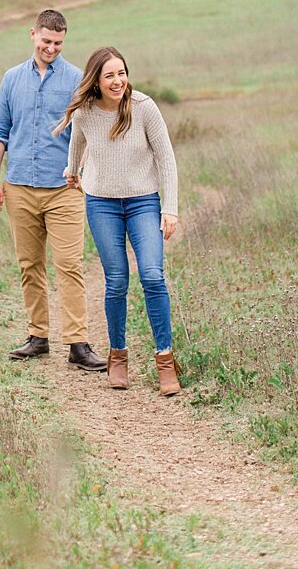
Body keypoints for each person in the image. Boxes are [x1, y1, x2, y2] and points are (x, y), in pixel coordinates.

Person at [0, 9, 107, 370]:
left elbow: (89, 132)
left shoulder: (76, 79)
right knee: (30, 265)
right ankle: (38, 337)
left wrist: (83, 171)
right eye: (46, 41)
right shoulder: (11, 79)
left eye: (58, 43)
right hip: (20, 185)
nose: (51, 47)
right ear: (33, 35)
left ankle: (78, 344)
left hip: (63, 189)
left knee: (69, 265)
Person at [59, 46, 181, 395]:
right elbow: (76, 143)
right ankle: (118, 358)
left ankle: (165, 359)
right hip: (102, 205)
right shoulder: (85, 112)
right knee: (116, 281)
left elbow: (166, 159)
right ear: (96, 80)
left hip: (144, 201)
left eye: (121, 73)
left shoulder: (144, 107)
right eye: (109, 75)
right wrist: (72, 171)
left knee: (152, 276)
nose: (118, 81)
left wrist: (169, 208)